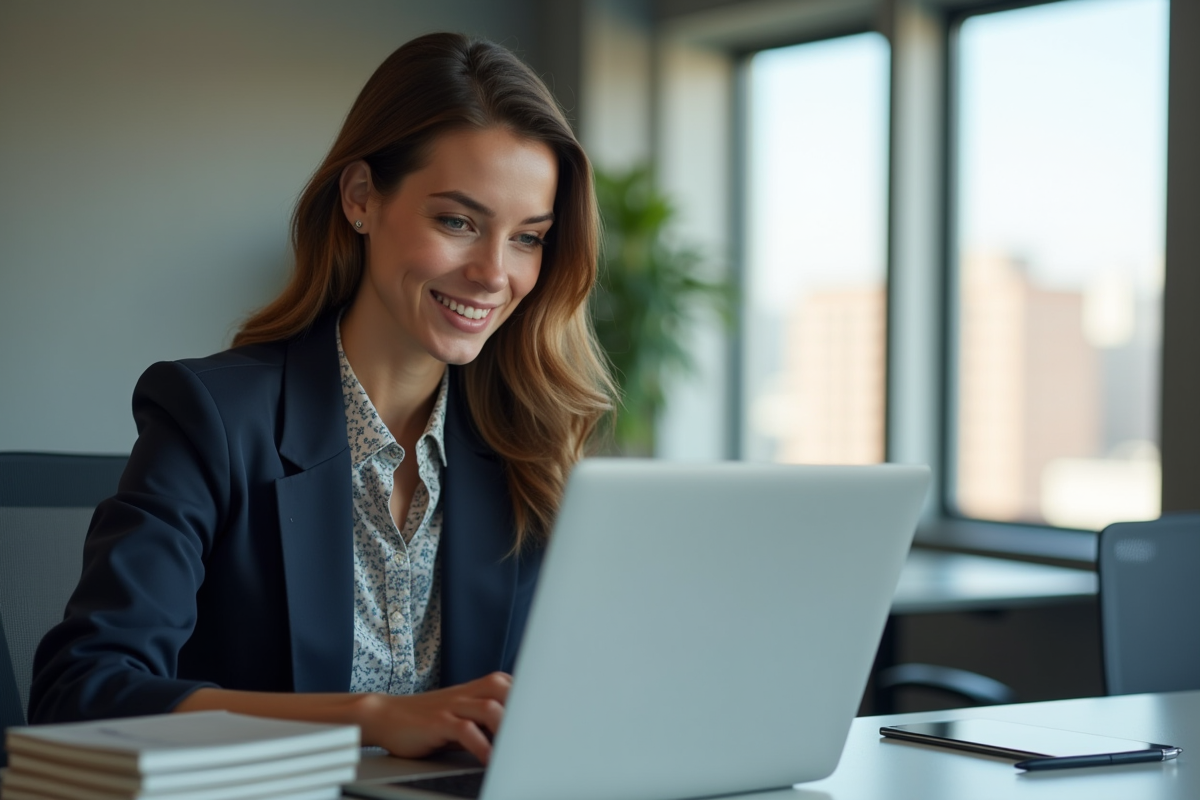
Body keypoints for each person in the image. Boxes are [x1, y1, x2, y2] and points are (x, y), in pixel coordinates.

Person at [28, 32, 615, 765]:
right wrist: (367, 717)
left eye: (528, 238)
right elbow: (79, 692)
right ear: (362, 199)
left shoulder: (528, 450)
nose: (494, 274)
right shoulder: (212, 417)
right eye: (458, 222)